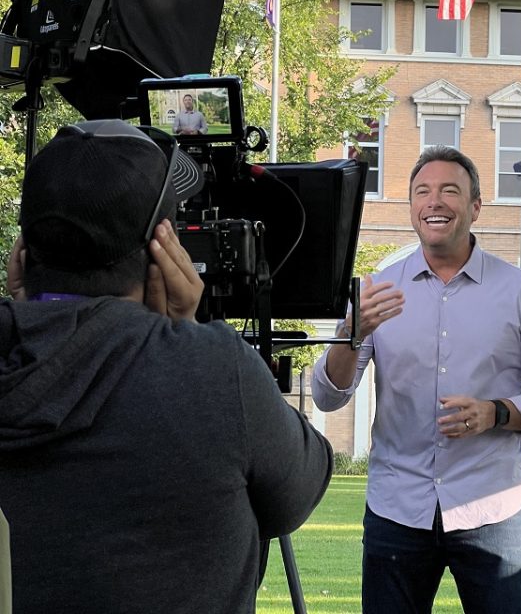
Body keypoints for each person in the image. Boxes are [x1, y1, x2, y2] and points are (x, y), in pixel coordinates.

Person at [0, 119, 333, 614]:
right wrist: (186, 330)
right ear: (163, 255)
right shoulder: (215, 370)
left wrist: (38, 322)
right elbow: (299, 489)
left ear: (22, 254)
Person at [312, 145, 521, 614]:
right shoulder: (376, 290)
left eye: (449, 191)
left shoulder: (520, 292)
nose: (434, 201)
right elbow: (328, 398)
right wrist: (352, 337)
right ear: (411, 208)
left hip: (492, 509)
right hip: (397, 509)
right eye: (422, 192)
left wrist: (498, 412)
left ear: (475, 207)